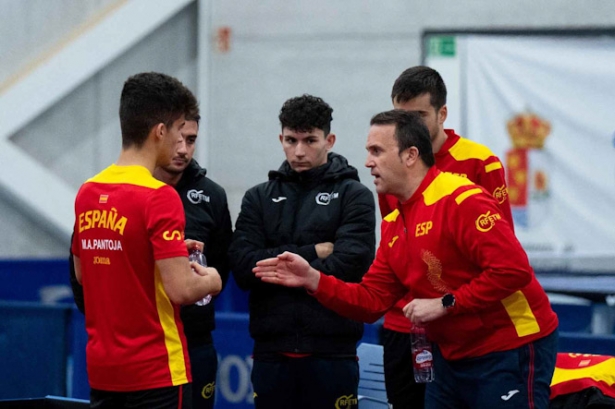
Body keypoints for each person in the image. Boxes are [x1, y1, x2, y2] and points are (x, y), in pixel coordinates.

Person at [254, 109, 559, 409]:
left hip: (510, 346)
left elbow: (514, 270)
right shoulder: (394, 223)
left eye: (377, 151)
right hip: (451, 356)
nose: (367, 162)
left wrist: (445, 304)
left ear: (410, 155)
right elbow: (371, 300)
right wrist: (314, 279)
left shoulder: (462, 200)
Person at [71, 72, 222, 409]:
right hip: (156, 372)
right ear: (160, 131)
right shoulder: (160, 197)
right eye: (178, 131)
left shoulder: (88, 192)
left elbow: (84, 274)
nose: (181, 144)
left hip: (103, 370)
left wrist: (162, 256)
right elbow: (182, 290)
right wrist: (213, 280)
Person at [378, 65, 515, 408]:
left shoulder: (480, 162)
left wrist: (446, 304)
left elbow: (504, 254)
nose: (408, 127)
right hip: (405, 324)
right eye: (400, 117)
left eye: (419, 116)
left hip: (463, 325)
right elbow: (399, 248)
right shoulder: (390, 167)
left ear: (442, 114)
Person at [229, 94, 376, 409]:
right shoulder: (257, 198)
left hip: (333, 353)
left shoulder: (355, 196)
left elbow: (351, 264)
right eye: (291, 140)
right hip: (271, 353)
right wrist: (315, 251)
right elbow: (242, 267)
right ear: (281, 138)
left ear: (329, 140)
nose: (299, 150)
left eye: (310, 140)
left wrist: (280, 264)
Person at [151, 113, 232, 409]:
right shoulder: (125, 191)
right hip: (145, 344)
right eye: (177, 140)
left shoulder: (212, 195)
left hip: (196, 341)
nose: (184, 149)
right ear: (157, 135)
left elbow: (221, 266)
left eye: (192, 140)